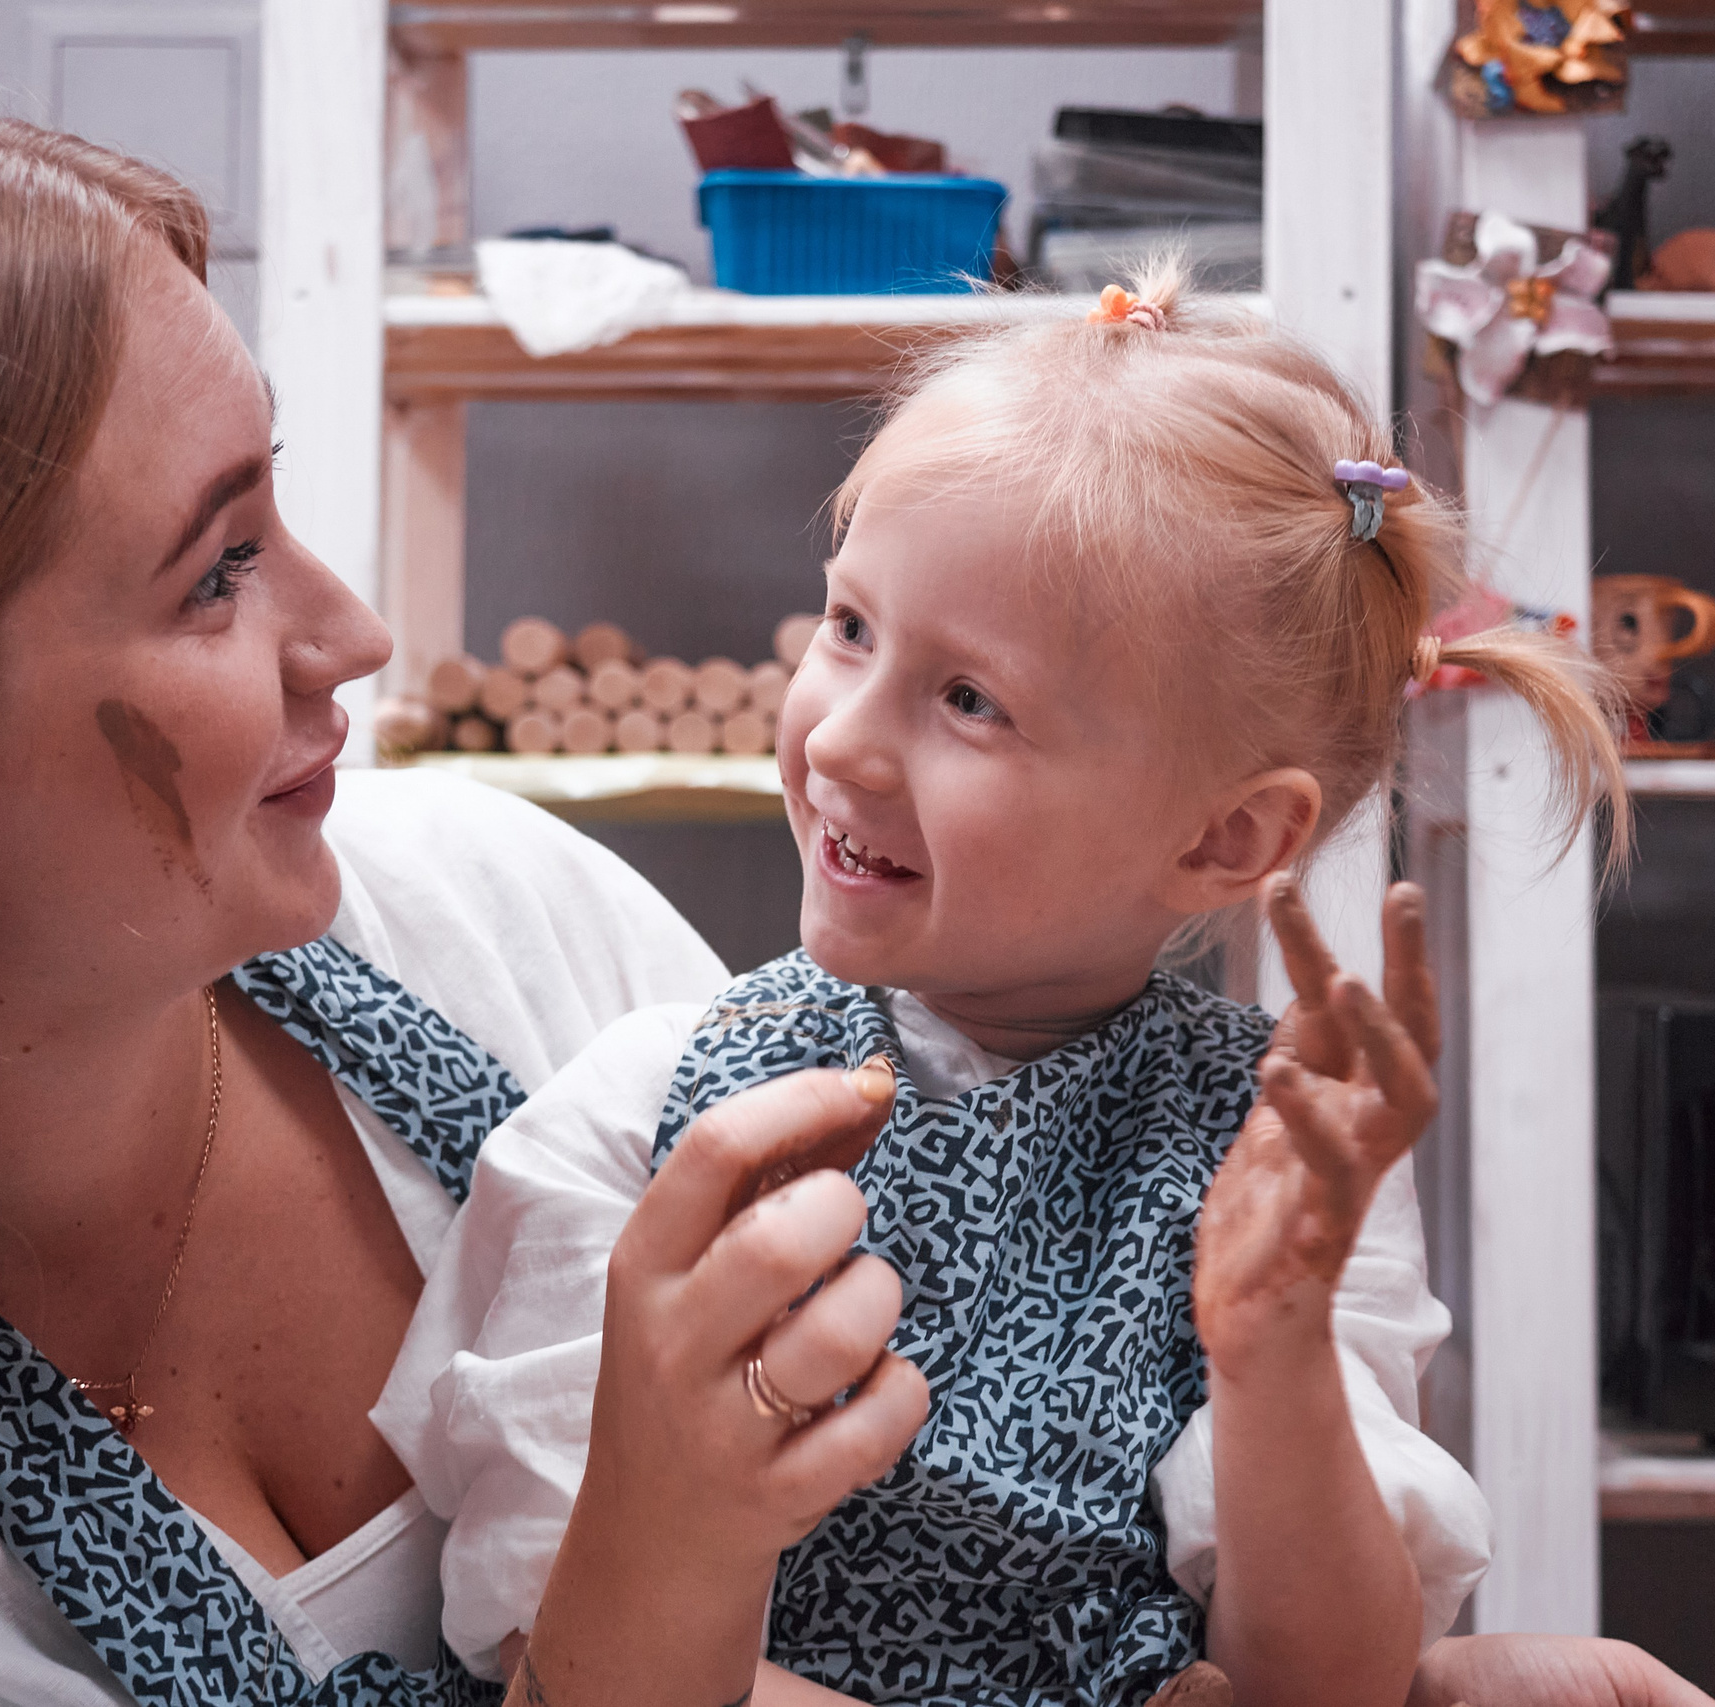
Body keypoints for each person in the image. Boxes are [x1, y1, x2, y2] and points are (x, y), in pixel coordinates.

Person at [0, 80, 922, 1707]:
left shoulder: (503, 914)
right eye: (217, 571)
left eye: (275, 503)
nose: (352, 636)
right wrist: (649, 1582)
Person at [387, 264, 1629, 1707]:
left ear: (1227, 837)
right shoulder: (650, 1111)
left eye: (970, 700)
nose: (841, 742)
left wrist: (1274, 1347)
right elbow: (553, 1637)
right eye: (848, 627)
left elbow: (1327, 1682)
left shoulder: (1280, 1161)